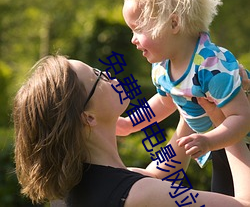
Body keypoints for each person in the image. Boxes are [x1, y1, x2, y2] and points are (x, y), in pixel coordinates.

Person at [13, 55, 250, 207]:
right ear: (88, 117)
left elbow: (159, 174)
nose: (109, 76)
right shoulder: (137, 195)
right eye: (98, 77)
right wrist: (226, 122)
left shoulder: (80, 189)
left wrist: (190, 94)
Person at [119, 0, 250, 196]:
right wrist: (130, 123)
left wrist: (209, 141)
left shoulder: (211, 66)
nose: (132, 40)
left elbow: (242, 117)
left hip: (239, 143)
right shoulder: (162, 67)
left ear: (173, 24)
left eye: (138, 29)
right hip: (218, 145)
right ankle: (155, 174)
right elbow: (165, 102)